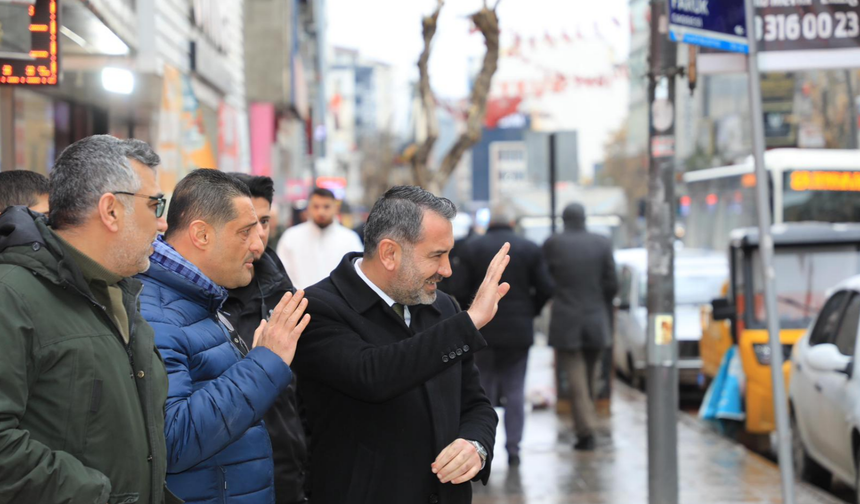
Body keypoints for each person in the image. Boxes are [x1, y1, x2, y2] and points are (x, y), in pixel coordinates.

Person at [292, 186, 508, 504]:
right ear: (390, 253)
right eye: (436, 255)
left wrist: (475, 446)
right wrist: (469, 322)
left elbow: (476, 405)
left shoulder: (443, 307)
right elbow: (374, 374)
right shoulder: (317, 308)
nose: (447, 270)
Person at [0, 135, 178, 503]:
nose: (161, 225)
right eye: (155, 205)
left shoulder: (120, 294)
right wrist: (97, 495)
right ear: (111, 210)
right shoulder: (12, 297)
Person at [137, 169, 310, 504]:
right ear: (201, 234)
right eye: (245, 231)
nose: (259, 244)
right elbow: (172, 440)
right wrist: (264, 363)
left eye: (261, 227)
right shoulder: (156, 311)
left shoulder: (200, 297)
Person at [223, 173, 309, 504]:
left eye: (264, 221)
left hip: (286, 475)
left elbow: (302, 391)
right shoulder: (197, 300)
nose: (258, 236)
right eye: (246, 226)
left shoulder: (282, 292)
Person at [459, 205, 554, 466]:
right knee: (515, 390)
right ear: (512, 221)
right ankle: (514, 449)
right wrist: (530, 312)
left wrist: (469, 316)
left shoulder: (472, 248)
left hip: (481, 331)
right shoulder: (529, 248)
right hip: (518, 332)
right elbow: (546, 287)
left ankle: (482, 447)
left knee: (483, 390)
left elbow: (458, 288)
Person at [542, 203, 618, 451]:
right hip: (596, 318)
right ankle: (587, 424)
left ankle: (586, 430)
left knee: (575, 379)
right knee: (591, 376)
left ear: (564, 219)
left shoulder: (554, 243)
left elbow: (544, 281)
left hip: (567, 318)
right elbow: (612, 283)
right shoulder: (602, 243)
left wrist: (558, 296)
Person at [276, 187, 363, 288]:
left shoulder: (350, 239)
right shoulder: (290, 237)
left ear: (336, 208)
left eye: (326, 207)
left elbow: (356, 275)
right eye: (316, 207)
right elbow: (281, 274)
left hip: (337, 303)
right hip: (297, 300)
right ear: (308, 208)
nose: (321, 212)